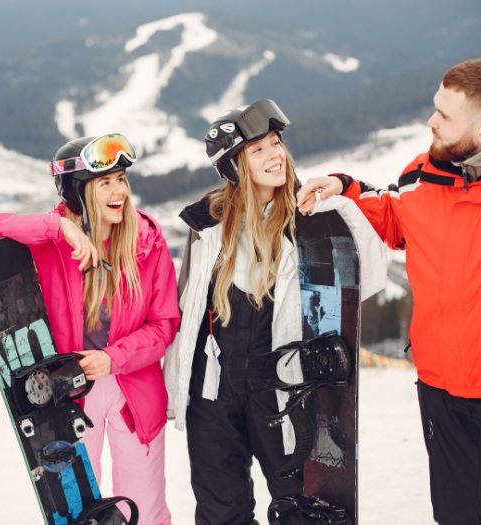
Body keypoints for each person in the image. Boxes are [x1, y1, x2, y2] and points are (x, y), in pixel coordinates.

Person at [297, 44, 481, 524]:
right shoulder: (424, 173)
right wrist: (346, 187)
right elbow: (396, 213)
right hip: (442, 388)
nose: (431, 123)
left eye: (443, 116)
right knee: (456, 515)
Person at [163, 99, 387, 524]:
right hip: (214, 390)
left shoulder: (313, 219)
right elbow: (187, 310)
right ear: (233, 166)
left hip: (282, 390)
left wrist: (343, 209)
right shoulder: (208, 226)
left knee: (297, 506)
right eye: (258, 149)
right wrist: (178, 388)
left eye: (275, 143)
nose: (275, 155)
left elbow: (368, 278)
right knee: (220, 510)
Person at [0, 133, 179, 524]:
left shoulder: (146, 240)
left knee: (146, 507)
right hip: (68, 396)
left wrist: (112, 358)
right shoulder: (49, 242)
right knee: (79, 508)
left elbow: (164, 324)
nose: (119, 190)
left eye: (121, 179)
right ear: (76, 192)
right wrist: (57, 228)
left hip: (132, 389)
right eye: (105, 183)